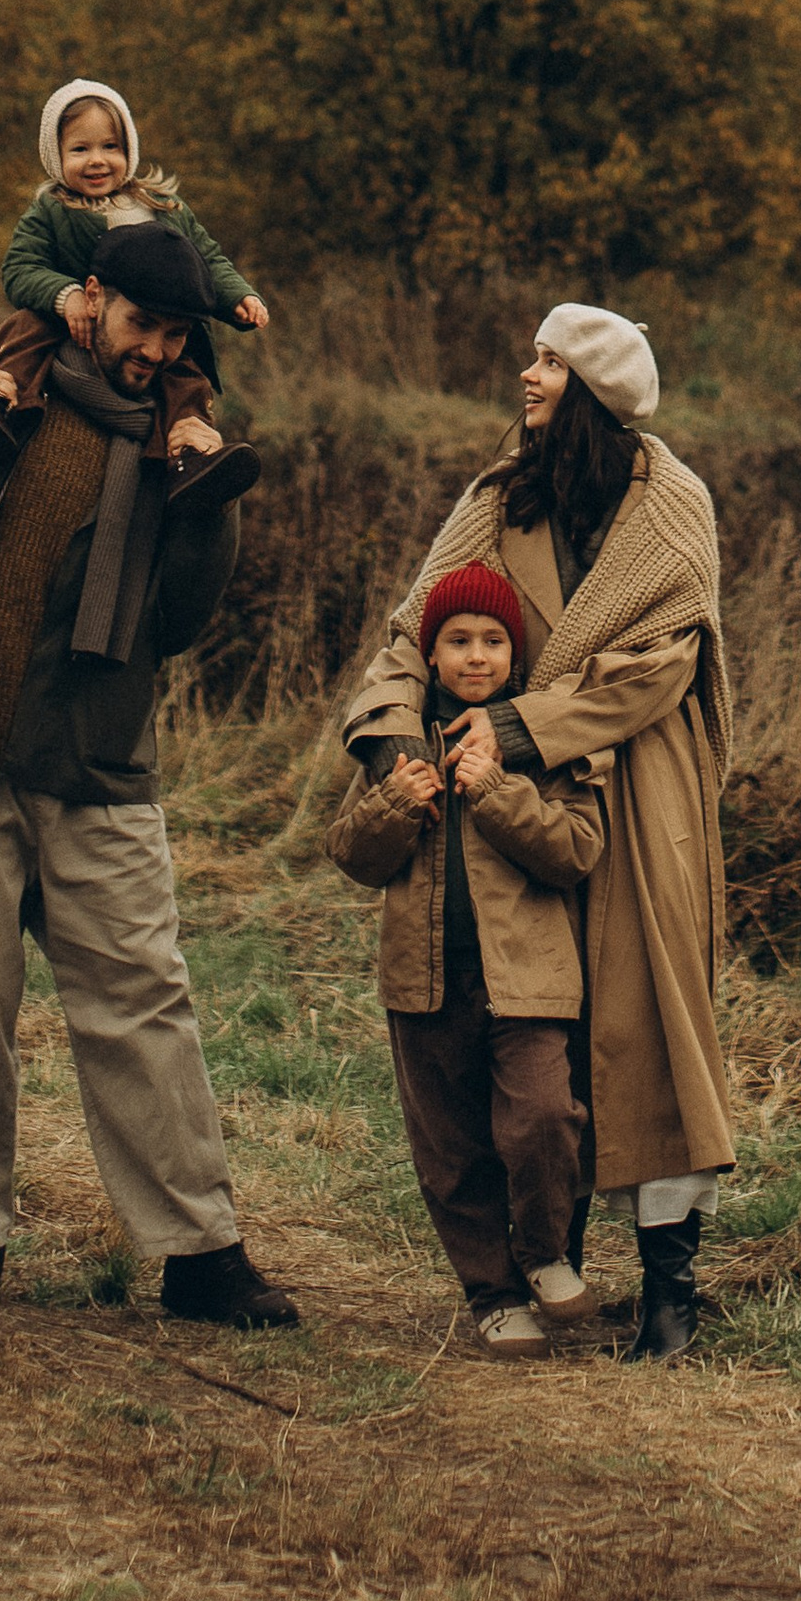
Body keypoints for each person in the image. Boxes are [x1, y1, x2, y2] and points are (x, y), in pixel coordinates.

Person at [0, 217, 299, 1331]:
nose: (154, 351)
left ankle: (199, 1254)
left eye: (177, 335)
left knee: (142, 997)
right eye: (142, 324)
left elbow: (178, 622)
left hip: (95, 754)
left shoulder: (183, 433)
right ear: (89, 297)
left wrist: (206, 499)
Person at [342, 304, 734, 1361]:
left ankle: (669, 1288)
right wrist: (393, 743)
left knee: (648, 1029)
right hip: (493, 791)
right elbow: (411, 633)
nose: (527, 375)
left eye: (550, 362)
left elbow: (662, 665)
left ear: (593, 390)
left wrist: (516, 726)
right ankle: (528, 1262)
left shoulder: (673, 506)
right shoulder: (497, 497)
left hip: (637, 784)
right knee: (522, 1035)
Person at [325, 563, 605, 1359]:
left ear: (515, 654)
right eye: (457, 641)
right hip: (426, 981)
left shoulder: (540, 742)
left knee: (545, 1119)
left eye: (493, 640)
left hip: (529, 978)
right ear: (431, 654)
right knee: (451, 1150)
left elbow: (577, 850)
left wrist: (497, 793)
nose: (476, 656)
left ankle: (544, 1251)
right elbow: (350, 854)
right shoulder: (398, 742)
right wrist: (395, 801)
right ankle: (493, 1293)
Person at [3, 79, 271, 357]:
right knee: (21, 348)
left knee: (190, 379)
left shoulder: (162, 206)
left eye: (110, 146)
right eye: (80, 149)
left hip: (165, 338)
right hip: (84, 341)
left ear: (129, 149)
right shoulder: (49, 212)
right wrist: (66, 295)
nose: (97, 160)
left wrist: (236, 296)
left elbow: (206, 260)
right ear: (55, 156)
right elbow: (20, 269)